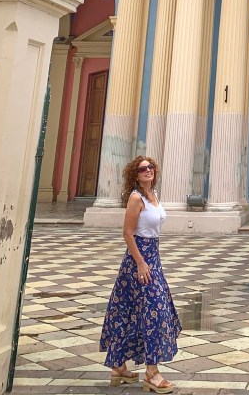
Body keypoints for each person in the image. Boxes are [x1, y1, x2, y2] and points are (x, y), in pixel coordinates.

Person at [100, 156, 181, 391]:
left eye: (151, 167)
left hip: (153, 258)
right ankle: (152, 374)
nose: (148, 171)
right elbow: (127, 233)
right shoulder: (136, 198)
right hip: (140, 261)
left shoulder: (153, 196)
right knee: (154, 313)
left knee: (131, 311)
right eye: (142, 169)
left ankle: (118, 368)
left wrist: (148, 262)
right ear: (135, 175)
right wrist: (140, 263)